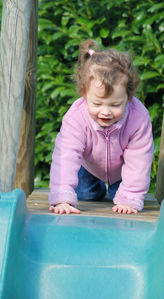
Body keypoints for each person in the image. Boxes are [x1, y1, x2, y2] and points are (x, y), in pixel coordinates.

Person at [48, 39, 154, 215]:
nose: (105, 112)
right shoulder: (76, 117)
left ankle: (119, 190)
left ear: (128, 98)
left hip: (123, 170)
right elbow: (65, 155)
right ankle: (95, 187)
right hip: (88, 165)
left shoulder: (138, 117)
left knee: (121, 199)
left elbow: (139, 159)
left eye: (114, 105)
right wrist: (62, 199)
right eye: (97, 103)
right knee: (86, 194)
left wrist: (129, 197)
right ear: (84, 94)